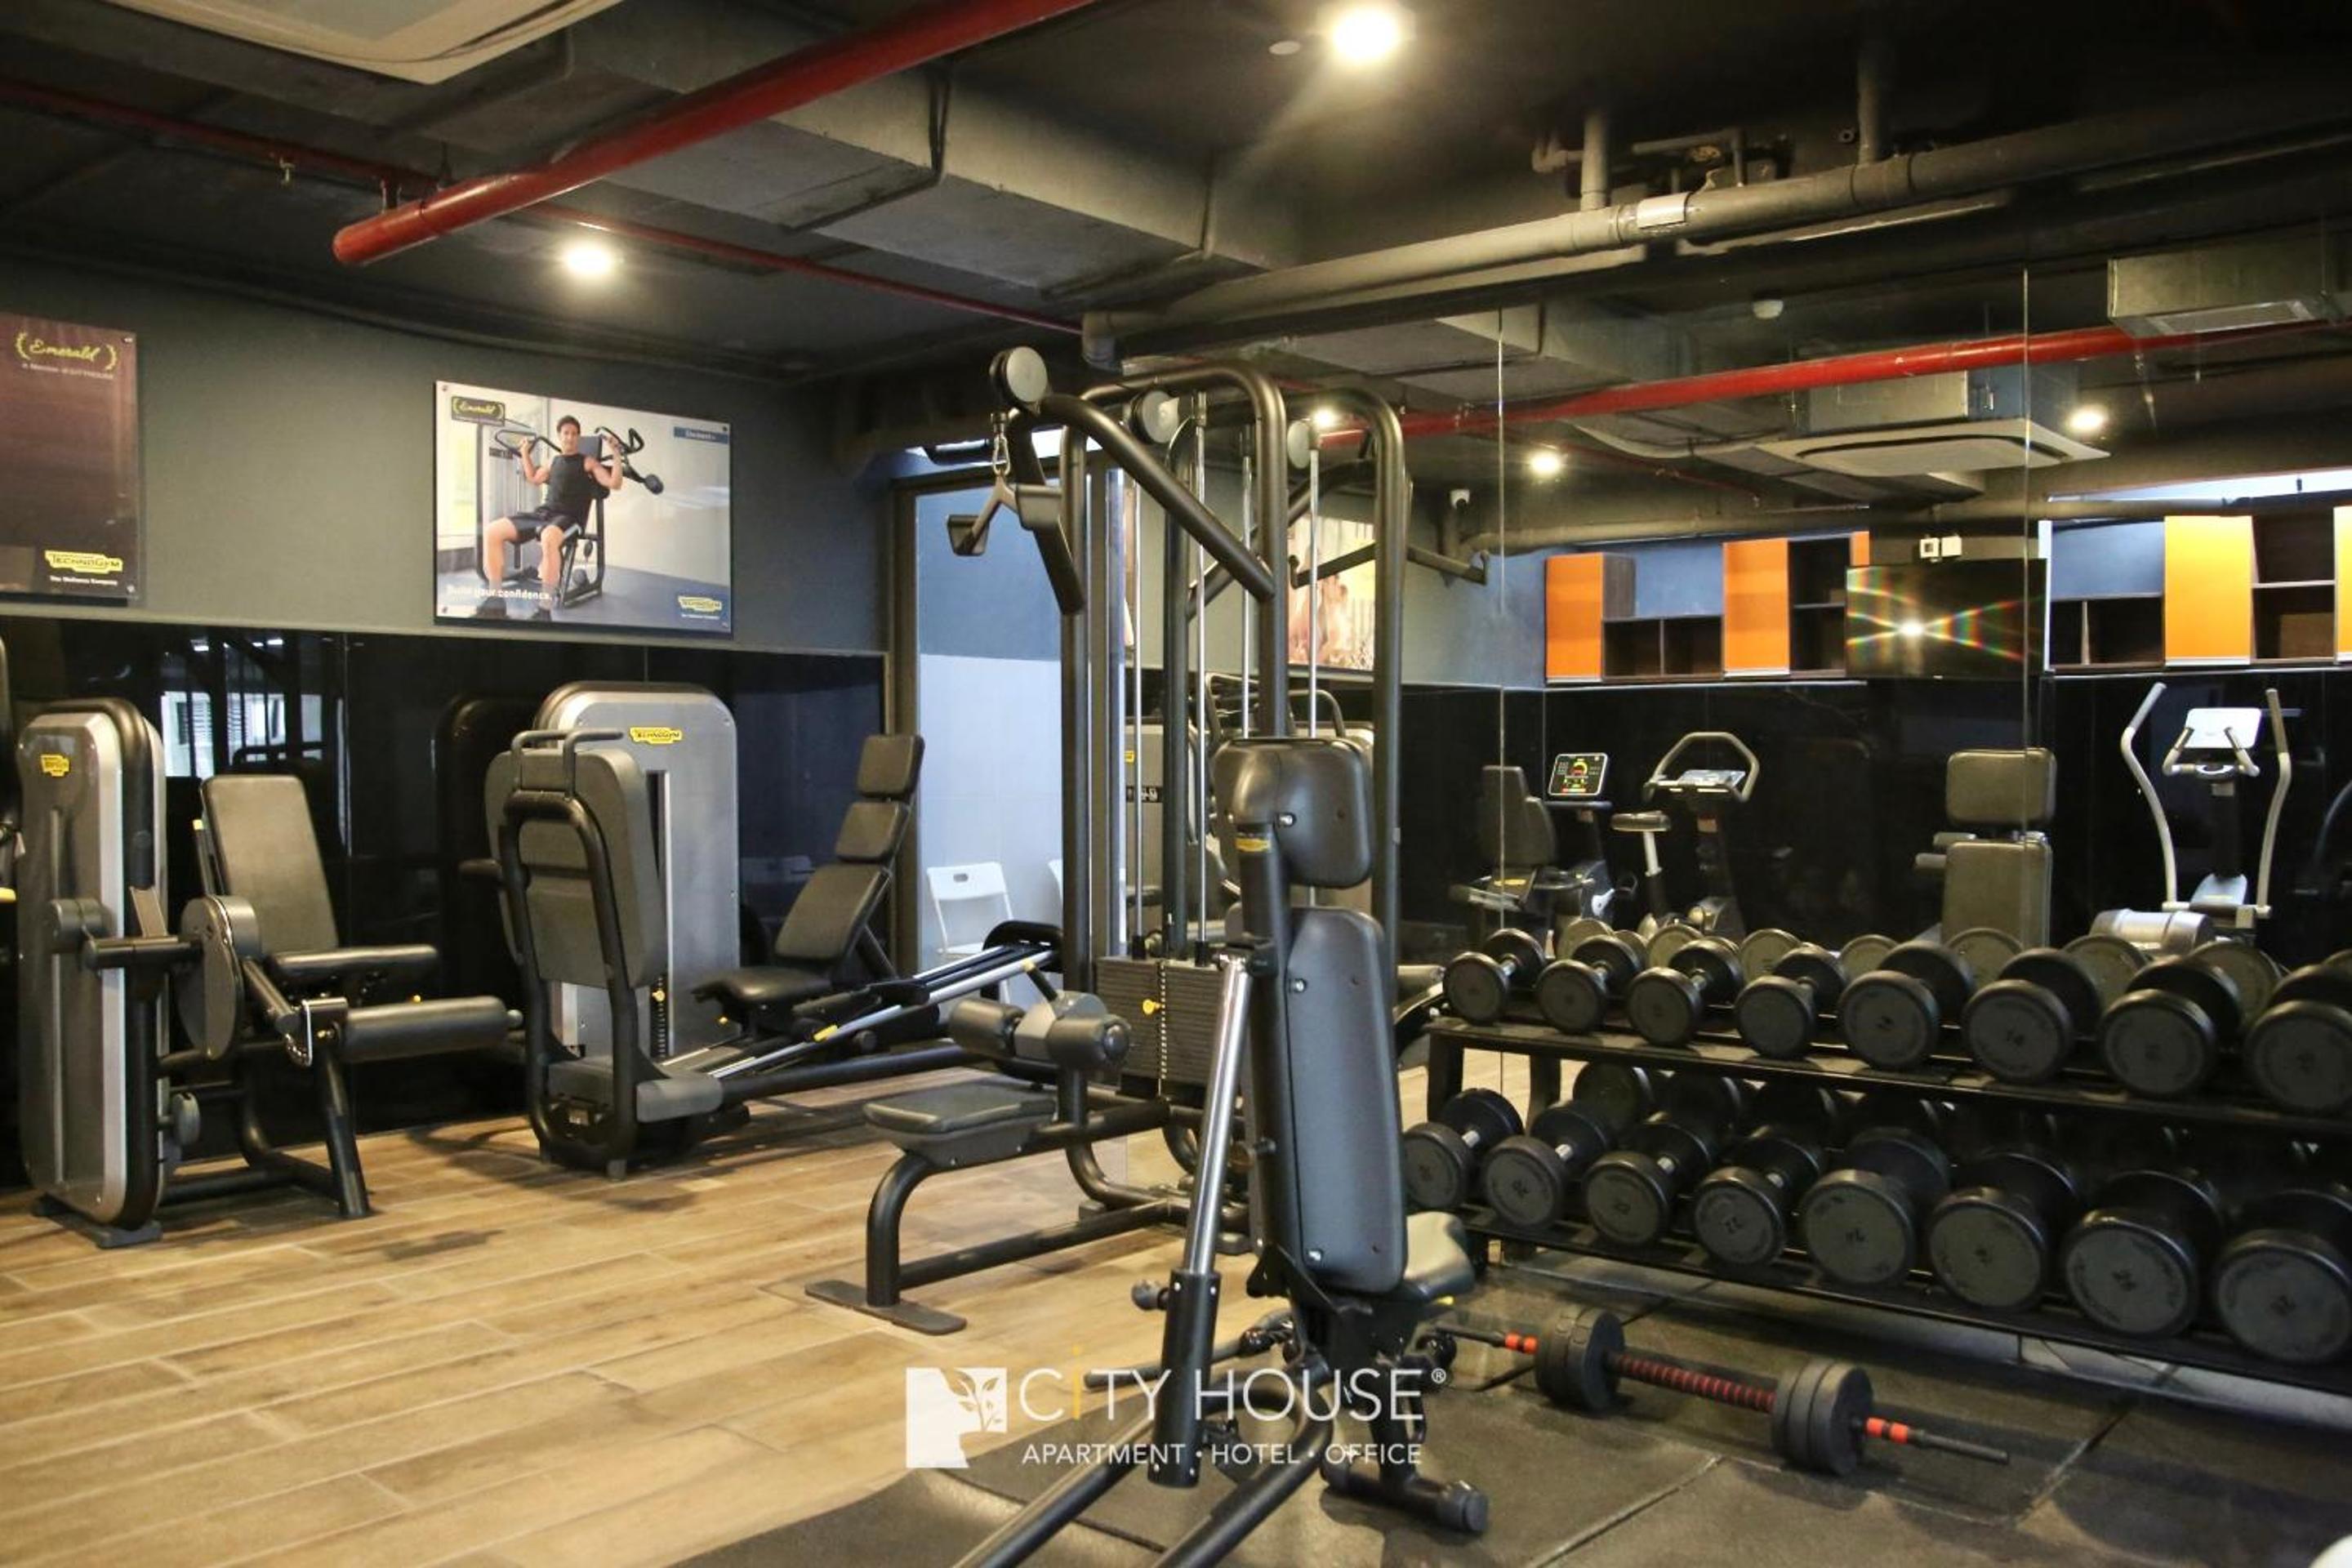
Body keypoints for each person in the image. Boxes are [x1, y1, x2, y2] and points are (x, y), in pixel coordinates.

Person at [476, 415, 625, 620]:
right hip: (544, 513)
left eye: (574, 434)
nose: (570, 437)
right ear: (559, 436)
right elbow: (533, 478)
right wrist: (524, 453)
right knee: (493, 531)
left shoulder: (588, 462)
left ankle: (544, 610)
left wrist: (616, 453)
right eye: (566, 433)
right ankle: (495, 600)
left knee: (548, 538)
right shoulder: (553, 461)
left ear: (578, 437)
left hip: (570, 518)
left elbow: (614, 483)